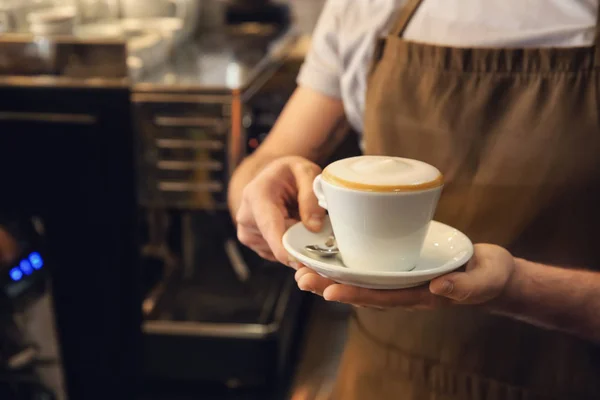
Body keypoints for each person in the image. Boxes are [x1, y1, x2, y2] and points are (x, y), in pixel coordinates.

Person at [229, 1, 600, 399]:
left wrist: (519, 286)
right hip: (383, 379)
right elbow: (263, 165)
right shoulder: (366, 8)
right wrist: (259, 193)